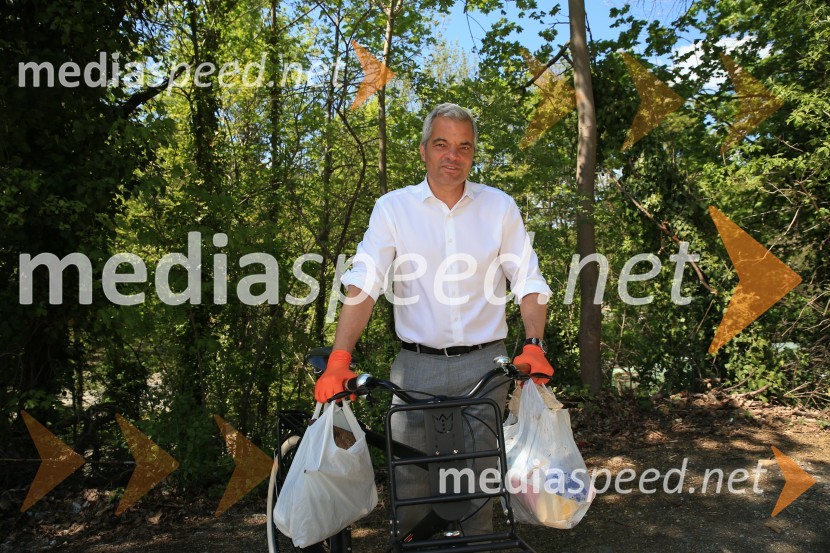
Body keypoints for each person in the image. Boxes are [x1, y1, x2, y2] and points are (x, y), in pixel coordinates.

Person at [314, 103, 554, 540]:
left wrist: (534, 343)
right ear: (424, 150)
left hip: (487, 366)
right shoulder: (392, 209)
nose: (453, 155)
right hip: (416, 367)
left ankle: (476, 546)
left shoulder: (499, 207)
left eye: (464, 146)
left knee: (480, 479)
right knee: (412, 480)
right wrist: (339, 357)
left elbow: (529, 281)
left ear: (474, 153)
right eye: (442, 143)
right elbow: (364, 283)